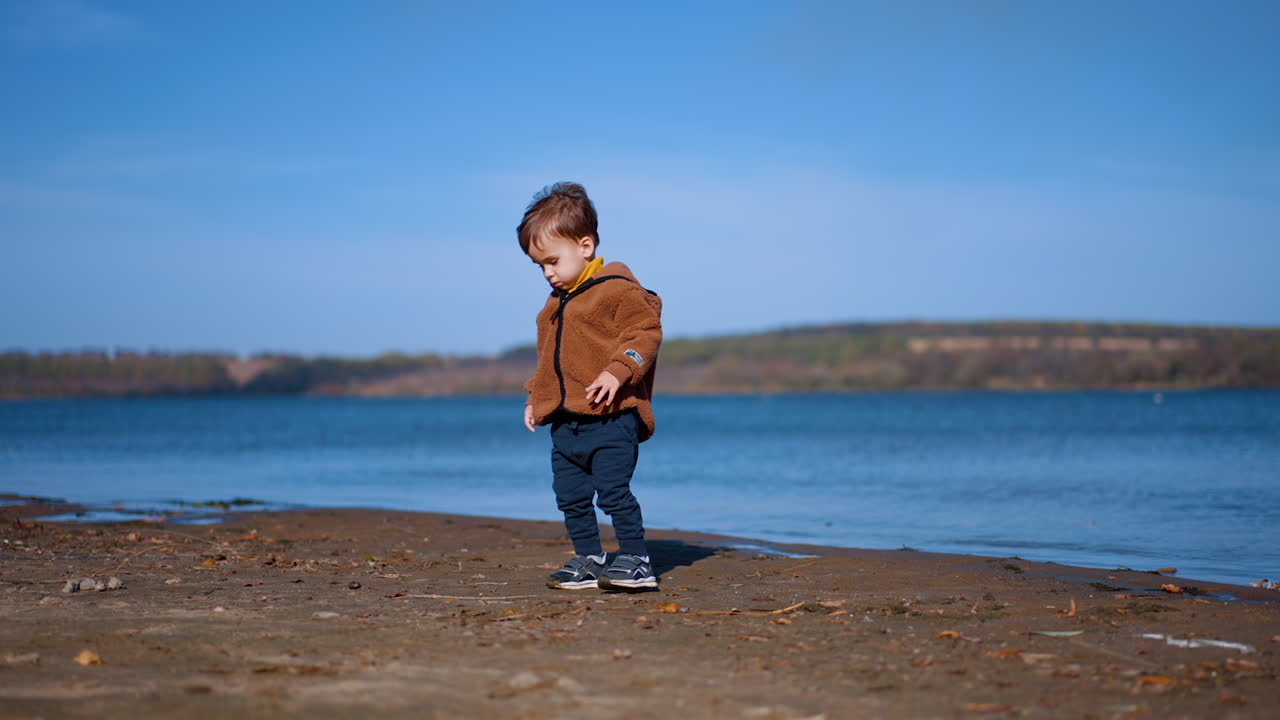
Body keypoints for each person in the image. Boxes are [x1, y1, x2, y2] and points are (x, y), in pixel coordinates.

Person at [517, 182, 662, 591]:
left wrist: (618, 370)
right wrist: (536, 395)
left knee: (613, 492)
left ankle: (636, 559)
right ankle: (589, 558)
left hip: (612, 416)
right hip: (566, 421)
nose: (548, 273)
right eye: (538, 266)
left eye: (552, 261)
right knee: (571, 495)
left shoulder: (616, 290)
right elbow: (549, 359)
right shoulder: (553, 304)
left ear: (585, 245)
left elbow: (645, 334)